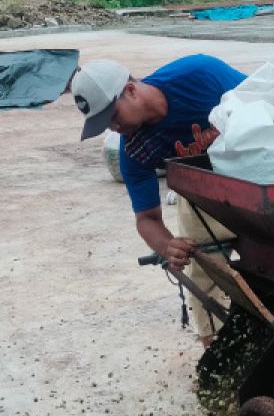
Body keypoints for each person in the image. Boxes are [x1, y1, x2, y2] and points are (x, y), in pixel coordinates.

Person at [72, 54, 246, 346]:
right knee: (206, 270)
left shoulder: (199, 74)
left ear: (130, 90)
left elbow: (268, 102)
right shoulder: (135, 151)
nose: (113, 128)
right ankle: (215, 349)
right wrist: (167, 245)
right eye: (105, 124)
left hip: (257, 176)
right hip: (203, 194)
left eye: (113, 116)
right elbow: (147, 219)